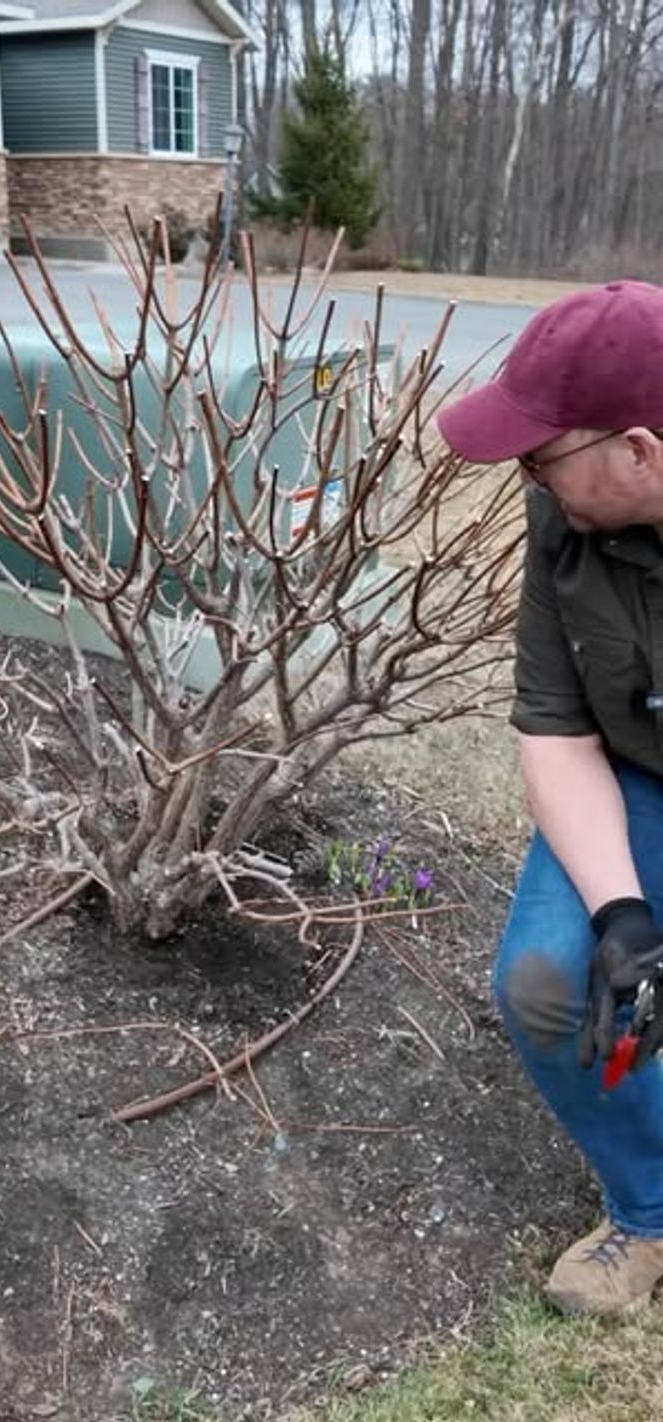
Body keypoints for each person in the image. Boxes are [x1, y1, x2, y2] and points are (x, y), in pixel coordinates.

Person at [436, 279, 663, 1317]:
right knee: (544, 979)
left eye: (540, 453)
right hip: (632, 778)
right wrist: (621, 919)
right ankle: (648, 1209)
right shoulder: (563, 518)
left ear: (638, 449)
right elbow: (556, 725)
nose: (521, 475)